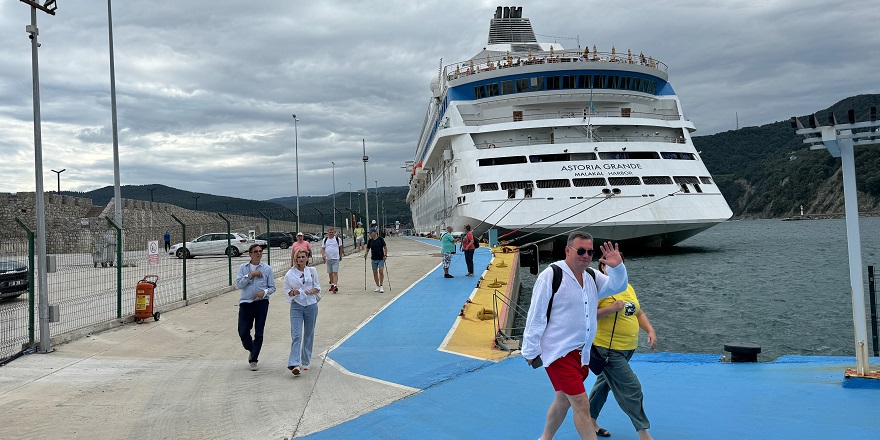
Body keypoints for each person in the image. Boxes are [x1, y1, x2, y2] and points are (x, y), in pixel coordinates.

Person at [521, 232, 627, 440]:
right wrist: (531, 350)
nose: (586, 255)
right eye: (581, 251)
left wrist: (617, 267)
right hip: (559, 353)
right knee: (581, 404)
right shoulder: (551, 276)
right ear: (568, 250)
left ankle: (544, 438)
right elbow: (536, 315)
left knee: (563, 400)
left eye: (590, 252)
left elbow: (618, 286)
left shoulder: (592, 276)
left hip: (582, 354)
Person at [589, 259, 656, 440]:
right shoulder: (599, 289)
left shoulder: (628, 287)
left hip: (627, 349)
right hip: (607, 350)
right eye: (608, 266)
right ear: (601, 268)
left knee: (603, 385)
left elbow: (638, 312)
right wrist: (611, 308)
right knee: (632, 388)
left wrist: (650, 330)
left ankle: (589, 421)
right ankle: (643, 433)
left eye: (617, 266)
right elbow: (586, 315)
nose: (613, 269)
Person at [236, 243, 276, 371]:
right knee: (243, 331)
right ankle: (252, 348)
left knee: (259, 332)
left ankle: (254, 359)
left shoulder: (267, 269)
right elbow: (239, 285)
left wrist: (263, 293)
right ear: (250, 254)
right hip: (246, 303)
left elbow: (272, 287)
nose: (259, 253)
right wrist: (251, 275)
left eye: (260, 251)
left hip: (261, 303)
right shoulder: (243, 268)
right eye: (256, 251)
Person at [283, 248, 321, 376]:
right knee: (296, 334)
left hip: (311, 305)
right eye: (298, 257)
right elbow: (287, 290)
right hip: (297, 305)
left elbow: (317, 287)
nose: (301, 259)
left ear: (307, 258)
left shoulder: (312, 271)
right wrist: (293, 292)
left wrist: (310, 291)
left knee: (309, 334)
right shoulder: (290, 274)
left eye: (303, 257)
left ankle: (306, 361)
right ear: (295, 258)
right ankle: (294, 363)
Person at [364, 228, 387, 292]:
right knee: (375, 272)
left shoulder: (380, 239)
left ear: (375, 233)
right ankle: (377, 285)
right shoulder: (370, 241)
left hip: (381, 258)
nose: (370, 234)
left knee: (381, 271)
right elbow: (368, 249)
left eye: (371, 233)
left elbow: (385, 247)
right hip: (373, 258)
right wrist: (366, 254)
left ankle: (381, 285)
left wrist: (385, 255)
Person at [321, 228, 343, 293]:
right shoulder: (325, 240)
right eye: (330, 232)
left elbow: (340, 247)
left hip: (335, 258)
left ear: (334, 233)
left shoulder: (337, 239)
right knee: (330, 273)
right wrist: (323, 255)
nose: (331, 233)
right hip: (328, 259)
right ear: (327, 233)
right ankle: (332, 284)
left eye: (332, 232)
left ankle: (335, 285)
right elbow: (323, 248)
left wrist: (340, 255)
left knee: (335, 272)